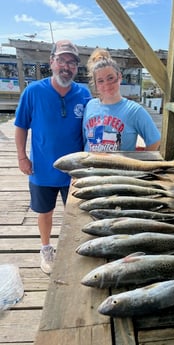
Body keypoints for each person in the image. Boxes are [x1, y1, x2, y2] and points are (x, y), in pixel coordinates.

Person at [14, 40, 91, 274]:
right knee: (44, 212)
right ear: (52, 62)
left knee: (77, 214)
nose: (66, 66)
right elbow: (20, 125)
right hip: (42, 169)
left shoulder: (84, 93)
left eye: (72, 62)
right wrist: (21, 157)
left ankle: (75, 249)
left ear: (77, 68)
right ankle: (46, 248)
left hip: (75, 172)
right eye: (61, 60)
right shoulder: (33, 91)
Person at [83, 54, 160, 151]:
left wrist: (140, 163)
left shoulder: (134, 110)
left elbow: (154, 141)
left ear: (119, 77)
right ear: (96, 84)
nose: (106, 84)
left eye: (110, 78)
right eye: (100, 81)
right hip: (90, 166)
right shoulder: (90, 106)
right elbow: (85, 140)